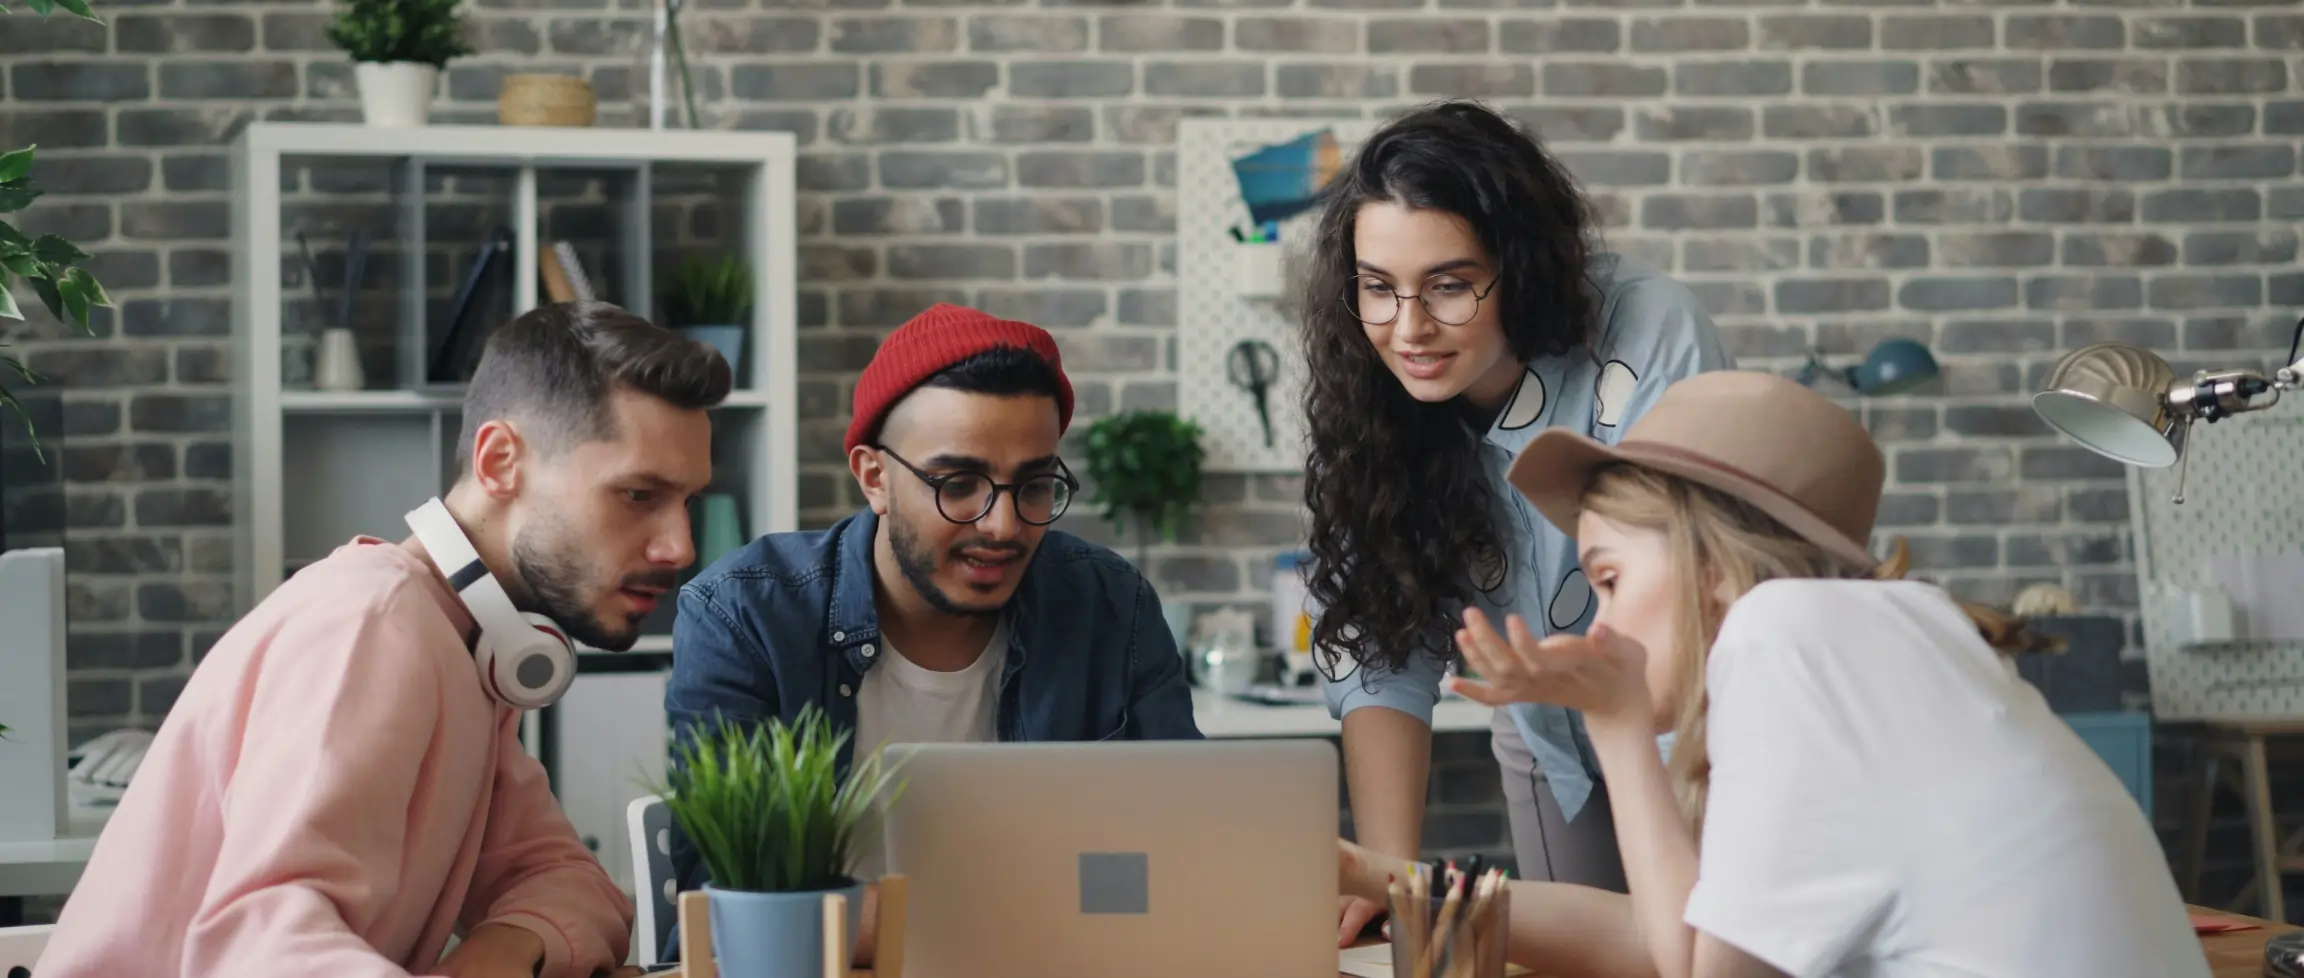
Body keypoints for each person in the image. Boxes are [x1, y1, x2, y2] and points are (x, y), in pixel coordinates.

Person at [1337, 370, 2211, 978]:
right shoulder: (1884, 635)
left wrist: (1617, 720)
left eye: (1608, 581)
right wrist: (1372, 873)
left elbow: (1692, 971)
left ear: (1711, 568)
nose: (1598, 625)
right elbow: (1672, 941)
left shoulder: (1783, 630)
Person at [36, 301, 733, 978]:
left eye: (688, 502)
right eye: (639, 495)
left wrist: (509, 946)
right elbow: (260, 945)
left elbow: (565, 879)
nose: (680, 546)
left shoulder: (471, 642)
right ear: (499, 463)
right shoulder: (373, 627)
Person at [1299, 98, 1733, 942]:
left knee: (1695, 954)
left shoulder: (1651, 335)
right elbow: (1381, 645)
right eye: (1378, 289)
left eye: (1450, 286)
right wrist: (1385, 876)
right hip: (1547, 743)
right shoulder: (1365, 389)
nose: (1409, 328)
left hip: (1696, 730)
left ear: (1521, 266)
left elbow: (1686, 596)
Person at [665, 302, 1202, 945]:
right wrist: (1009, 916)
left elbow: (1179, 848)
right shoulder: (745, 615)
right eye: (959, 483)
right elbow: (727, 898)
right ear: (875, 477)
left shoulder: (1110, 603)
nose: (1002, 526)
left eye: (1033, 486)